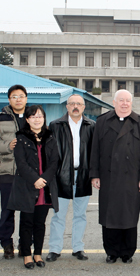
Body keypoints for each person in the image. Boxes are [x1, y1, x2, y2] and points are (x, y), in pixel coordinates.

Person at [90, 89, 140, 264]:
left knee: (129, 215)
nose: (125, 104)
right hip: (108, 177)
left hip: (131, 177)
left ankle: (127, 252)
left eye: (128, 101)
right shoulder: (102, 122)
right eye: (121, 100)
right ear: (114, 102)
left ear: (132, 103)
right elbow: (95, 150)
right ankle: (111, 251)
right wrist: (94, 174)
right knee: (109, 215)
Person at [7, 105, 59, 269]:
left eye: (40, 116)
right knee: (26, 223)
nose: (37, 119)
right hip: (28, 186)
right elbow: (21, 164)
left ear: (44, 118)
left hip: (45, 187)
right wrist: (35, 179)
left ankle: (37, 253)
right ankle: (27, 255)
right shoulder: (21, 138)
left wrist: (44, 179)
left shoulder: (50, 136)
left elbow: (54, 162)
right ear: (28, 119)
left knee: (40, 223)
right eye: (33, 116)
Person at [46, 94, 95, 262]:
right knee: (58, 215)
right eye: (72, 103)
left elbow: (96, 154)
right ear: (66, 106)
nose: (75, 106)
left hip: (83, 175)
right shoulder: (55, 125)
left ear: (83, 107)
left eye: (79, 104)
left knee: (80, 215)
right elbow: (48, 153)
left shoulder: (91, 126)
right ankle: (54, 249)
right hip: (61, 176)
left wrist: (95, 175)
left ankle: (78, 248)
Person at [0, 84, 28, 259]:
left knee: (28, 211)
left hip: (28, 173)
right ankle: (6, 244)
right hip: (7, 171)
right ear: (9, 99)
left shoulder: (33, 115)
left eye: (21, 96)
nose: (18, 99)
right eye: (14, 97)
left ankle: (25, 244)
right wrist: (7, 146)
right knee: (7, 210)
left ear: (26, 98)